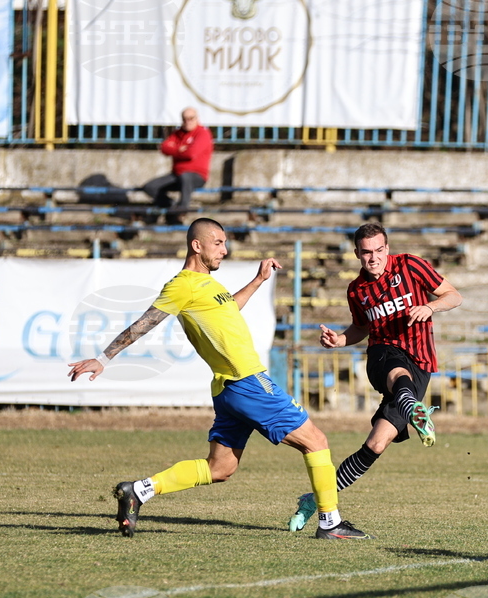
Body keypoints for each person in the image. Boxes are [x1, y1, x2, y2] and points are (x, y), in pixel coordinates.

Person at [68, 218, 370, 541]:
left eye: (225, 244)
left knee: (220, 468)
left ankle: (138, 490)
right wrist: (103, 359)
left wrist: (258, 280)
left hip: (228, 388)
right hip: (247, 382)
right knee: (317, 441)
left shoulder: (210, 285)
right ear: (196, 246)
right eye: (218, 243)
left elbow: (229, 310)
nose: (224, 251)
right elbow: (145, 323)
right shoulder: (182, 284)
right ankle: (330, 523)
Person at [288, 222, 463, 531]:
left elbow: (453, 296)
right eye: (366, 253)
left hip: (420, 363)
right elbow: (361, 327)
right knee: (397, 371)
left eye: (379, 251)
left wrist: (430, 306)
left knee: (377, 444)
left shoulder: (410, 265)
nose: (373, 258)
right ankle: (414, 410)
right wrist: (340, 340)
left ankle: (314, 500)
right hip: (383, 356)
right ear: (357, 253)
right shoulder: (357, 289)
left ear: (387, 248)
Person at [142, 107, 213, 225]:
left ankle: (182, 211)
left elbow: (191, 154)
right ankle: (172, 206)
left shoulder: (203, 133)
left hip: (197, 175)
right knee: (150, 187)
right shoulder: (178, 133)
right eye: (185, 119)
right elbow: (164, 147)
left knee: (186, 177)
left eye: (191, 118)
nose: (188, 121)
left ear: (197, 118)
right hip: (177, 175)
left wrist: (175, 149)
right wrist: (180, 149)